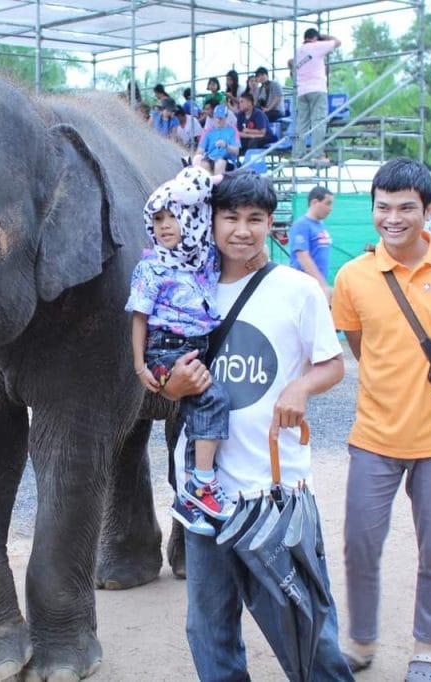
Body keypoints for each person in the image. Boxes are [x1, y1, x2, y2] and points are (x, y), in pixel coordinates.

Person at [162, 169, 351, 681]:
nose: (242, 230)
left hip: (272, 490)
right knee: (209, 629)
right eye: (230, 218)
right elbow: (165, 379)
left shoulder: (297, 290)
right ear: (211, 222)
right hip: (205, 494)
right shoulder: (188, 290)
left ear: (271, 224)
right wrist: (171, 386)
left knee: (305, 624)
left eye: (255, 218)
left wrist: (300, 387)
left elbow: (332, 364)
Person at [330, 157, 431, 682]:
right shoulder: (353, 276)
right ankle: (361, 641)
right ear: (372, 208)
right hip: (374, 435)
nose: (393, 219)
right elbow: (360, 347)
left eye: (406, 208)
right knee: (359, 545)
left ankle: (426, 646)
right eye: (383, 207)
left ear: (428, 210)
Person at [126, 166, 233, 529]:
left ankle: (188, 501)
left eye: (173, 216)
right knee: (213, 400)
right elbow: (139, 317)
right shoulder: (151, 268)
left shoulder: (205, 259)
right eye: (157, 219)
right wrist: (141, 366)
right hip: (166, 351)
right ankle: (203, 483)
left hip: (197, 348)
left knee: (191, 421)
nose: (165, 226)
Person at [288, 28, 341, 159]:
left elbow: (290, 63)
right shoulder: (317, 46)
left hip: (302, 91)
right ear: (315, 38)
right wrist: (323, 36)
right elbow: (338, 42)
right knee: (318, 122)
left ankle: (298, 155)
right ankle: (318, 154)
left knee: (301, 124)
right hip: (317, 89)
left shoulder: (298, 51)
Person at [288, 185, 335, 301]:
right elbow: (303, 257)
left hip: (314, 286)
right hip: (303, 287)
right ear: (314, 202)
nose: (331, 208)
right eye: (328, 203)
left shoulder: (320, 225)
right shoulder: (302, 225)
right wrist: (322, 285)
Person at [198, 104, 240, 175]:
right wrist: (197, 158)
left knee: (220, 163)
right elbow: (200, 150)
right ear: (214, 116)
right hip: (211, 157)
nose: (218, 120)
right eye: (217, 117)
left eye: (221, 118)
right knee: (203, 163)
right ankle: (209, 181)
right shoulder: (208, 130)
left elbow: (236, 151)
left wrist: (226, 146)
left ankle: (218, 181)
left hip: (227, 159)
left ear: (226, 117)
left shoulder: (233, 130)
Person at [235, 90, 277, 157]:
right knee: (236, 140)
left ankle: (251, 161)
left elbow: (262, 132)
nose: (240, 104)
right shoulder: (240, 115)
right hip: (252, 137)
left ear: (249, 103)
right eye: (239, 102)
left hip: (267, 136)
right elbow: (238, 133)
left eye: (242, 102)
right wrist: (252, 135)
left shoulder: (258, 114)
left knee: (253, 141)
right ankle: (238, 161)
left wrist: (248, 131)